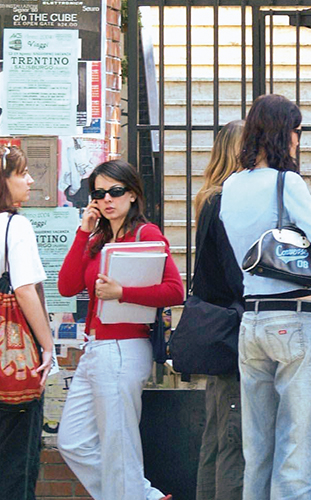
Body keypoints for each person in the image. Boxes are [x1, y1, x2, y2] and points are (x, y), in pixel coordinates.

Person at [219, 94, 311, 500]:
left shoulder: (230, 186)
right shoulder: (288, 182)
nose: (299, 139)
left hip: (253, 319)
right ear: (284, 133)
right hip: (295, 316)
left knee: (258, 447)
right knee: (302, 448)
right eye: (297, 130)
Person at [57, 159, 184, 500]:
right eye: (99, 193)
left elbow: (175, 290)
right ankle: (144, 496)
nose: (107, 199)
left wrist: (122, 293)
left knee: (119, 447)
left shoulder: (146, 234)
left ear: (132, 194)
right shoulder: (97, 238)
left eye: (115, 191)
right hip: (95, 349)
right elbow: (67, 286)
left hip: (123, 348)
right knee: (72, 441)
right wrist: (84, 230)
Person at [193, 120, 246, 500]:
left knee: (217, 437)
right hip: (233, 328)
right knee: (233, 440)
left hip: (217, 328)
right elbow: (233, 272)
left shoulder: (210, 198)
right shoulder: (227, 201)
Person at [0, 145, 54, 500]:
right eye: (21, 173)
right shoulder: (15, 226)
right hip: (11, 363)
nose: (30, 180)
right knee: (16, 461)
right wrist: (48, 344)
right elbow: (23, 288)